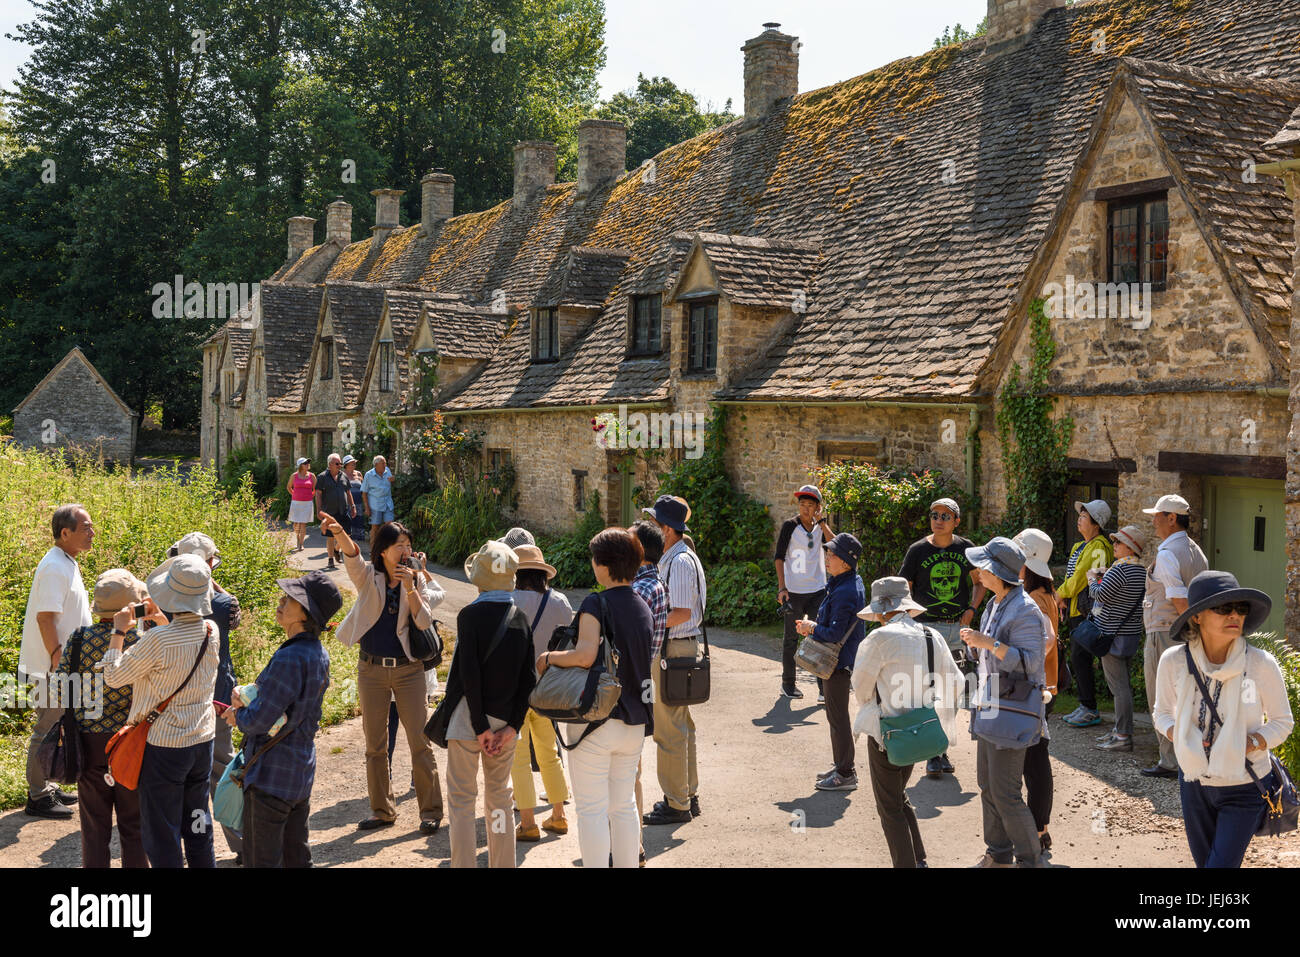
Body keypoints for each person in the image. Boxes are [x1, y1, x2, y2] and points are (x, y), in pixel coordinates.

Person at [1152, 570, 1294, 868]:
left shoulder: (1260, 664)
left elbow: (1283, 721)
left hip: (1245, 782)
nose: (1235, 615)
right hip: (1195, 782)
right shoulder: (1174, 661)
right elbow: (1161, 713)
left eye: (1240, 608)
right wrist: (1179, 734)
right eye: (1223, 608)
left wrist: (1251, 742)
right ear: (1197, 617)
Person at [320, 511, 446, 833]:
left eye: (408, 545)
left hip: (409, 671)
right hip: (372, 670)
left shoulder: (414, 580)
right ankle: (382, 811)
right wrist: (338, 532)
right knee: (375, 745)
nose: (405, 551)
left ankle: (430, 811)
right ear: (384, 551)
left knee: (420, 741)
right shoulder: (368, 577)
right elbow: (352, 556)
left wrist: (411, 588)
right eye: (399, 545)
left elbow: (423, 622)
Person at [538, 527, 654, 868]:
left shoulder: (595, 602)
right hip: (634, 722)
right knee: (624, 807)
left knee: (591, 810)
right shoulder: (642, 606)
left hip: (597, 721)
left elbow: (586, 655)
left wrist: (549, 658)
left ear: (603, 566)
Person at [99, 555, 220, 868]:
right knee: (198, 822)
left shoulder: (156, 640)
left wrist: (119, 632)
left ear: (170, 594)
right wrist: (163, 621)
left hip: (165, 747)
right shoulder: (211, 630)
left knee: (163, 831)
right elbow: (179, 645)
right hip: (201, 740)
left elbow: (113, 676)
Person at [224, 571, 341, 867]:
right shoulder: (317, 652)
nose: (281, 602)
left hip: (271, 776)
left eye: (290, 598)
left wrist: (237, 715)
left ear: (305, 613)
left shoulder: (290, 656)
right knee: (296, 857)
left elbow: (261, 720)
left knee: (261, 860)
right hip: (298, 770)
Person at [852, 576, 962, 868]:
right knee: (897, 797)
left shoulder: (878, 639)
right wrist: (933, 709)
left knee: (889, 807)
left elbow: (860, 687)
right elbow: (956, 682)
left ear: (881, 609)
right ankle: (919, 859)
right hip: (923, 731)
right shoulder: (931, 635)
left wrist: (872, 703)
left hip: (887, 734)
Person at [441, 540, 535, 868]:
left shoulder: (469, 616)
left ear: (479, 578)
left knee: (462, 802)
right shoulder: (521, 619)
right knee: (499, 801)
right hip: (505, 725)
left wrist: (480, 726)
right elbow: (528, 681)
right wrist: (512, 726)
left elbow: (469, 674)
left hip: (470, 721)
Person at [960, 537, 1049, 868]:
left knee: (1006, 792)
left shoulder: (1025, 610)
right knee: (987, 786)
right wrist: (973, 647)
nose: (977, 572)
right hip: (991, 703)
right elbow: (990, 652)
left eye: (982, 567)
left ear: (996, 572)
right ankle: (998, 855)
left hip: (1011, 708)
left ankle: (1030, 861)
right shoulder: (997, 602)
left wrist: (988, 642)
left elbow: (1030, 664)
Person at [55, 569, 150, 867]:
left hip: (89, 742)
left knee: (94, 827)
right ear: (133, 606)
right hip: (132, 741)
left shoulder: (79, 638)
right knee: (134, 825)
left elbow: (62, 688)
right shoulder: (143, 640)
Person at [167, 532, 243, 861]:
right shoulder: (224, 604)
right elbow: (231, 609)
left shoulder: (163, 604)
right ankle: (242, 842)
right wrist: (213, 580)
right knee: (221, 769)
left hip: (175, 698)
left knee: (175, 773)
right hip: (216, 696)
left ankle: (176, 846)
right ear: (211, 564)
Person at [899, 496, 987, 777]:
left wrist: (972, 609)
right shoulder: (917, 551)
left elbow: (980, 582)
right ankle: (932, 753)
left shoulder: (966, 549)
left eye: (945, 516)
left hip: (954, 629)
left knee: (950, 691)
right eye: (934, 514)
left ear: (956, 521)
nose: (938, 520)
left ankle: (941, 750)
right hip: (926, 627)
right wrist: (910, 618)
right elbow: (905, 588)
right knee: (927, 689)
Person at [20, 504, 93, 819]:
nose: (92, 533)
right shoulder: (54, 566)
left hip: (62, 668)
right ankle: (37, 796)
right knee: (47, 729)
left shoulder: (67, 561)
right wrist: (57, 662)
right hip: (53, 669)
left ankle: (46, 786)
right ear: (66, 533)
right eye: (86, 527)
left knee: (57, 727)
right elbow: (45, 619)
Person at [642, 495, 707, 825]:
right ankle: (686, 794)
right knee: (681, 726)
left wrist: (647, 617)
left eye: (655, 523)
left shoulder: (679, 562)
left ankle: (676, 802)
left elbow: (680, 613)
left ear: (666, 529)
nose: (652, 528)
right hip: (678, 648)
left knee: (669, 730)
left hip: (674, 648)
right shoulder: (680, 557)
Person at [508, 543, 574, 841]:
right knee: (549, 753)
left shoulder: (507, 601)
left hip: (515, 690)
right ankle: (558, 815)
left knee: (518, 757)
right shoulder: (559, 602)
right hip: (548, 689)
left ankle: (528, 822)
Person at [1140, 493, 1209, 779]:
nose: (1154, 521)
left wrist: (1189, 630)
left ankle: (1170, 761)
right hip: (1187, 632)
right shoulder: (1196, 551)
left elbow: (1179, 599)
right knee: (1189, 696)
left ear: (1171, 518)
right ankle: (1191, 754)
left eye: (1158, 515)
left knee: (1162, 696)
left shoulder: (1168, 554)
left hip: (1167, 632)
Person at [796, 532, 868, 792]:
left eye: (833, 554)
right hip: (841, 660)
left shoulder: (846, 590)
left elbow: (835, 633)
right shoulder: (847, 582)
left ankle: (846, 773)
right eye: (828, 552)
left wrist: (810, 627)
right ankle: (842, 766)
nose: (828, 557)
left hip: (838, 662)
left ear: (847, 562)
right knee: (836, 716)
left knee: (838, 718)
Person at [1014, 528, 1060, 856]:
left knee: (1034, 758)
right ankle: (1038, 827)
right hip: (1042, 685)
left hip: (1037, 687)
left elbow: (1047, 642)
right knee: (1034, 756)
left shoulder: (1036, 600)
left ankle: (1039, 827)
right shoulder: (1044, 593)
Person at [1089, 525, 1148, 754]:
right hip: (1129, 634)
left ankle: (1122, 735)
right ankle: (1119, 730)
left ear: (1130, 547)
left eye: (1118, 543)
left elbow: (1099, 594)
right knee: (1122, 686)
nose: (1114, 546)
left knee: (1119, 688)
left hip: (1111, 634)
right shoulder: (1141, 571)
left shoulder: (1119, 571)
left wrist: (1092, 579)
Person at [1058, 499, 1114, 728]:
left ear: (1096, 523)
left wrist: (1059, 594)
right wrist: (1064, 597)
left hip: (1088, 612)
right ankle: (1085, 705)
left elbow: (1084, 578)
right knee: (1078, 658)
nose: (1079, 520)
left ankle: (1089, 707)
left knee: (1081, 658)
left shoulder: (1099, 547)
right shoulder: (1080, 546)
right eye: (1080, 516)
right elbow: (1072, 577)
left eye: (1084, 516)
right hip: (1075, 609)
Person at [774, 484, 833, 699]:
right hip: (794, 591)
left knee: (819, 637)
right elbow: (779, 557)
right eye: (802, 504)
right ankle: (788, 684)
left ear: (818, 507)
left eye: (810, 505)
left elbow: (835, 544)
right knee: (791, 638)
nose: (805, 509)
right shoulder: (790, 526)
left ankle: (822, 688)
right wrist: (782, 588)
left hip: (817, 590)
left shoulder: (820, 527)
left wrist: (823, 523)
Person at [630, 520, 669, 842]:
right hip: (641, 681)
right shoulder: (653, 584)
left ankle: (628, 845)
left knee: (626, 773)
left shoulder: (638, 590)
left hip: (629, 685)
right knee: (632, 771)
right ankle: (634, 845)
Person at [315, 453, 355, 571]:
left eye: (340, 463)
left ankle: (337, 549)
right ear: (330, 464)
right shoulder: (322, 477)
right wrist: (319, 510)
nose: (340, 466)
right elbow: (318, 494)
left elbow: (348, 492)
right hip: (329, 512)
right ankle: (331, 559)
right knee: (330, 536)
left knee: (347, 534)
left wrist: (352, 506)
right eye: (337, 463)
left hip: (343, 510)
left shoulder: (343, 476)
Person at [361, 454, 396, 556]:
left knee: (390, 526)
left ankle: (388, 549)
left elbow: (392, 479)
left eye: (385, 463)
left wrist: (393, 479)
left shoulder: (387, 470)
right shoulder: (369, 475)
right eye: (383, 463)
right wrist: (367, 508)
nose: (385, 465)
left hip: (387, 503)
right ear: (376, 465)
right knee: (375, 528)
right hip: (375, 505)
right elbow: (364, 492)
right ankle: (373, 550)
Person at [286, 458, 316, 552]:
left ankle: (301, 544)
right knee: (296, 524)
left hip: (307, 503)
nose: (308, 464)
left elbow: (315, 489)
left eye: (308, 463)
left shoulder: (312, 476)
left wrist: (310, 496)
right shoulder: (294, 476)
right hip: (296, 503)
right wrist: (294, 495)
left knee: (303, 524)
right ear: (300, 465)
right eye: (305, 463)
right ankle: (298, 539)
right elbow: (289, 487)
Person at [342, 455, 366, 541]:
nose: (354, 465)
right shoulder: (342, 474)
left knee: (358, 522)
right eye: (352, 463)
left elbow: (363, 488)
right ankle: (346, 544)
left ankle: (356, 545)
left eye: (354, 463)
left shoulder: (358, 473)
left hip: (358, 503)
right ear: (346, 465)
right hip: (346, 503)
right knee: (348, 522)